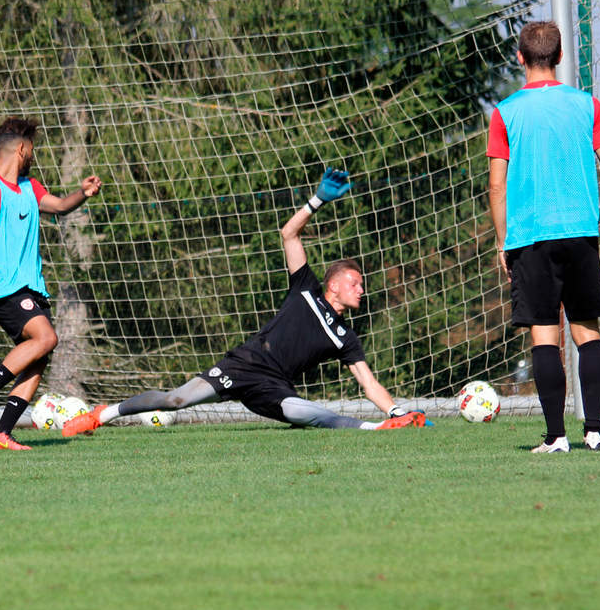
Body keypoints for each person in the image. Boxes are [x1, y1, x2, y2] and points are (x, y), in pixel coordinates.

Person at [64, 168, 426, 437]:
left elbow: (369, 383)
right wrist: (316, 202)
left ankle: (378, 427)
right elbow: (289, 233)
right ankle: (102, 415)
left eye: (361, 285)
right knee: (176, 400)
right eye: (354, 282)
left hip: (273, 386)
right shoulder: (306, 288)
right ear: (332, 283)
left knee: (305, 413)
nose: (361, 289)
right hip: (245, 363)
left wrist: (395, 409)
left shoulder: (345, 337)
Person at [487, 21, 600, 453]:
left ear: (520, 57)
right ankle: (595, 432)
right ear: (560, 57)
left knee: (544, 336)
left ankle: (556, 437)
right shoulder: (588, 105)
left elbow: (497, 186)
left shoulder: (506, 111)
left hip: (530, 237)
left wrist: (502, 241)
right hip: (581, 232)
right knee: (587, 331)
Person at [0, 117, 102, 450]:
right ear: (21, 148)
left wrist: (82, 192)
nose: (33, 154)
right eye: (32, 148)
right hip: (4, 288)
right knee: (46, 337)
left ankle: (1, 433)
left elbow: (60, 206)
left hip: (29, 288)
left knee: (38, 356)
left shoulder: (29, 187)